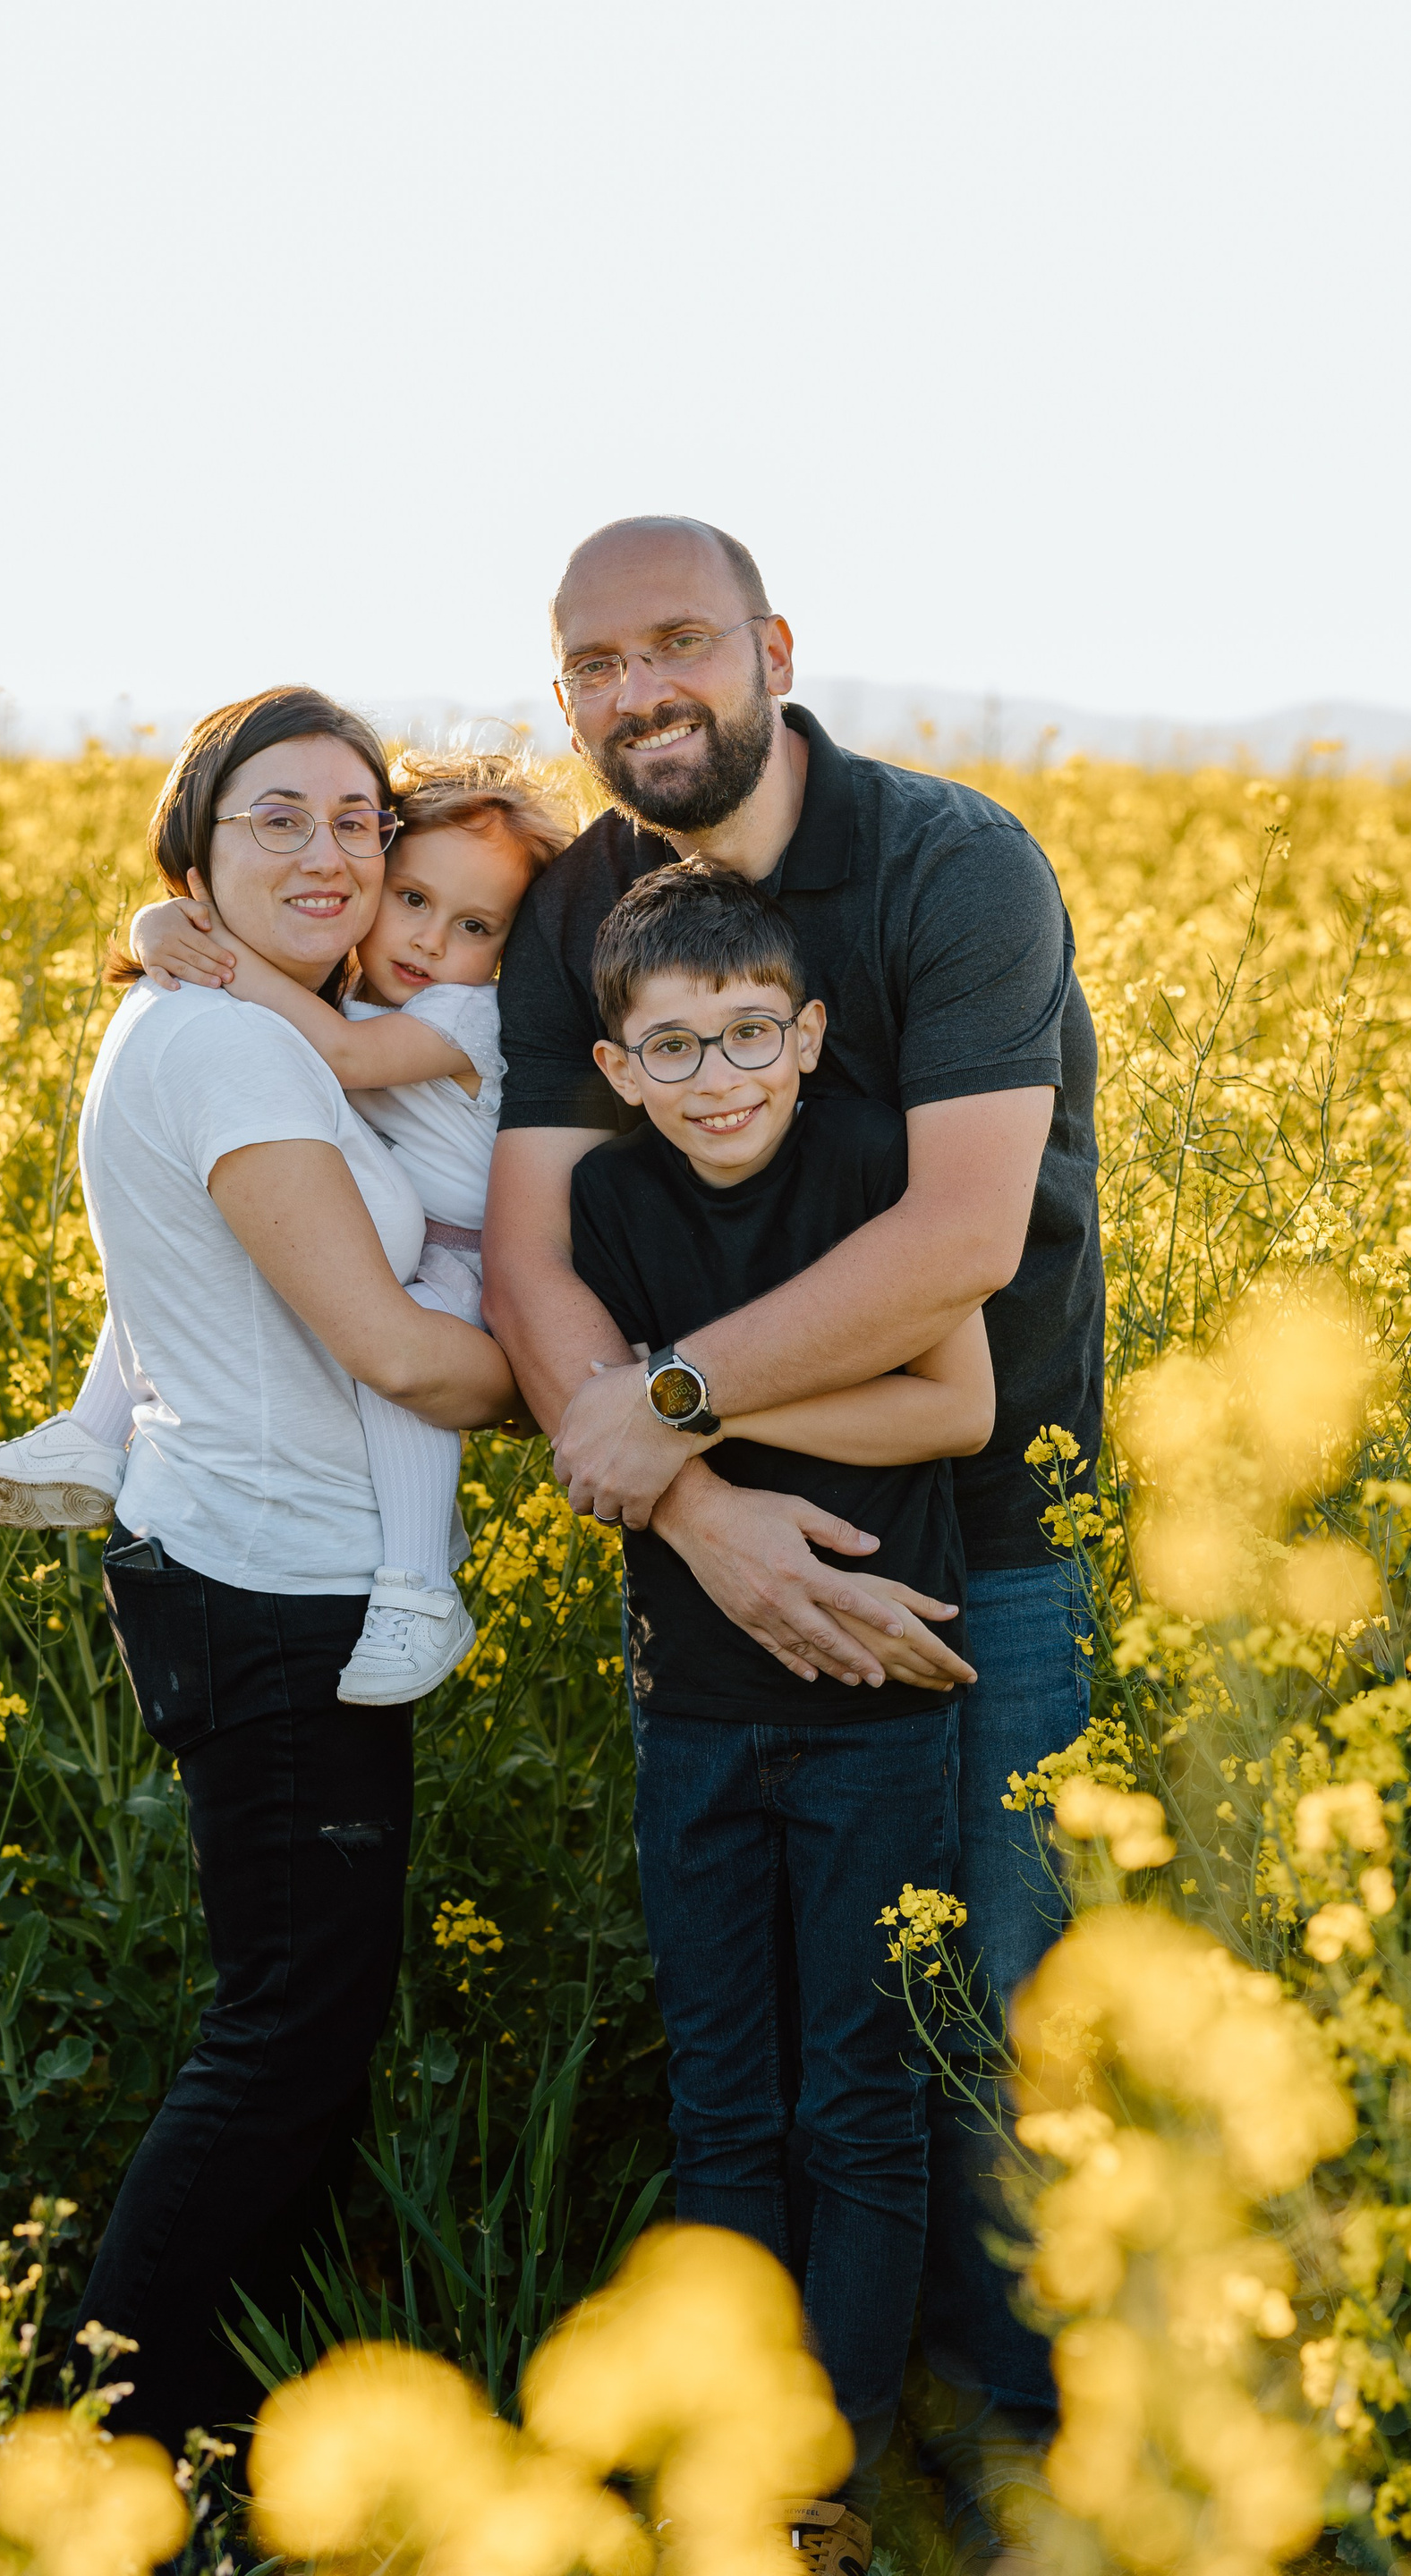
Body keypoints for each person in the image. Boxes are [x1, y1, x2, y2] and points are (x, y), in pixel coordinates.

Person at [483, 518, 1102, 2542]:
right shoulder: (580, 906)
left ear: (770, 647)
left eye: (676, 642)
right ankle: (799, 2461)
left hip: (992, 1526)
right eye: (595, 664)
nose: (639, 690)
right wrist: (701, 1515)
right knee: (772, 2051)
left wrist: (663, 1413)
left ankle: (1005, 2458)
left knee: (982, 2011)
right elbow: (533, 1251)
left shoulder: (948, 866)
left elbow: (959, 1242)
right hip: (709, 1572)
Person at [57, 685, 516, 2453]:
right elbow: (392, 1351)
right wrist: (614, 1399)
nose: (331, 853)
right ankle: (108, 2461)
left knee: (301, 2037)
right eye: (278, 818)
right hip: (274, 1595)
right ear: (196, 851)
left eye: (357, 823)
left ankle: (207, 2438)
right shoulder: (240, 1052)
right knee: (283, 2046)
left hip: (262, 1570)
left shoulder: (256, 1021)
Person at [568, 860, 991, 2538]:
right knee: (725, 2105)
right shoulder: (610, 1203)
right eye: (672, 1048)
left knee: (862, 2104)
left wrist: (682, 1405)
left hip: (880, 1710)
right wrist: (663, 1411)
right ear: (618, 1070)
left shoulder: (879, 1164)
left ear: (810, 1034)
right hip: (693, 1705)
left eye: (751, 1033)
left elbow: (954, 1405)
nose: (719, 1076)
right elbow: (587, 1430)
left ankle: (832, 2484)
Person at [0, 749, 571, 1704]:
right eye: (412, 900)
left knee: (397, 1377)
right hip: (403, 1231)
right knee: (188, 1255)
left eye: (475, 926)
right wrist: (164, 924)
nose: (430, 939)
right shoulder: (352, 985)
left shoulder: (466, 1012)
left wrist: (210, 950)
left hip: (471, 1259)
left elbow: (347, 1056)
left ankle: (418, 1586)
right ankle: (91, 1433)